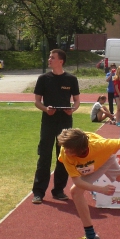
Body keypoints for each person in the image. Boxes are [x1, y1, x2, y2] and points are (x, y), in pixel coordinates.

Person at [31, 49, 80, 204]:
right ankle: (38, 192)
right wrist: (46, 109)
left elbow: (77, 101)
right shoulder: (43, 78)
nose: (49, 59)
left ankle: (58, 190)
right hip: (48, 120)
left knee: (63, 156)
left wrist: (72, 109)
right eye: (49, 57)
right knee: (44, 156)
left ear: (61, 61)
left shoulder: (71, 79)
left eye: (52, 57)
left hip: (65, 121)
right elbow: (37, 101)